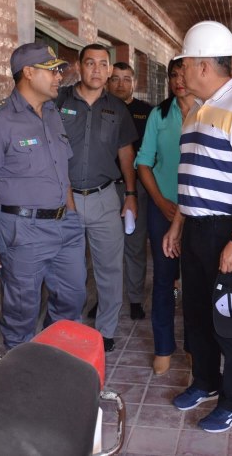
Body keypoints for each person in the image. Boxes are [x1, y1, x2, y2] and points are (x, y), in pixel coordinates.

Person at [162, 21, 232, 433]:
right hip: (195, 228)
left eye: (186, 64)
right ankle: (205, 381)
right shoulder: (196, 111)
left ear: (204, 66)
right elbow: (191, 177)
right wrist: (178, 224)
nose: (182, 72)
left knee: (231, 319)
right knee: (196, 315)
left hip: (228, 230)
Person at [0, 42, 86, 349]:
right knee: (21, 314)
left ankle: (53, 361)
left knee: (72, 301)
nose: (59, 76)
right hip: (23, 231)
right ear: (29, 73)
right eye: (52, 71)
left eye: (59, 71)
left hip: (65, 226)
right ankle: (20, 372)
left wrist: (71, 214)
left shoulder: (52, 114)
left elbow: (63, 173)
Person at [57, 44, 139, 353]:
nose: (96, 69)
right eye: (90, 63)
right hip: (64, 200)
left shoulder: (117, 109)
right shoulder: (58, 101)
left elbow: (126, 153)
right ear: (79, 66)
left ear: (109, 70)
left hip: (105, 198)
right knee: (68, 271)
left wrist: (130, 194)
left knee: (109, 269)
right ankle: (68, 327)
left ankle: (105, 330)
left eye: (103, 64)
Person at [135, 58, 197, 375]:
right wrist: (160, 202)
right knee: (164, 279)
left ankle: (194, 347)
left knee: (196, 283)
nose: (178, 80)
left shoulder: (210, 112)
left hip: (198, 212)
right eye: (174, 75)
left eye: (184, 74)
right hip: (165, 210)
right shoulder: (158, 115)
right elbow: (144, 161)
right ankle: (163, 347)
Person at [107, 61, 152, 321]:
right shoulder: (99, 108)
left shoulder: (146, 112)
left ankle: (135, 298)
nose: (120, 84)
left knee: (134, 246)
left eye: (126, 79)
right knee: (105, 248)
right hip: (105, 188)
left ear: (133, 83)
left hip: (136, 188)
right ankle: (103, 298)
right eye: (115, 78)